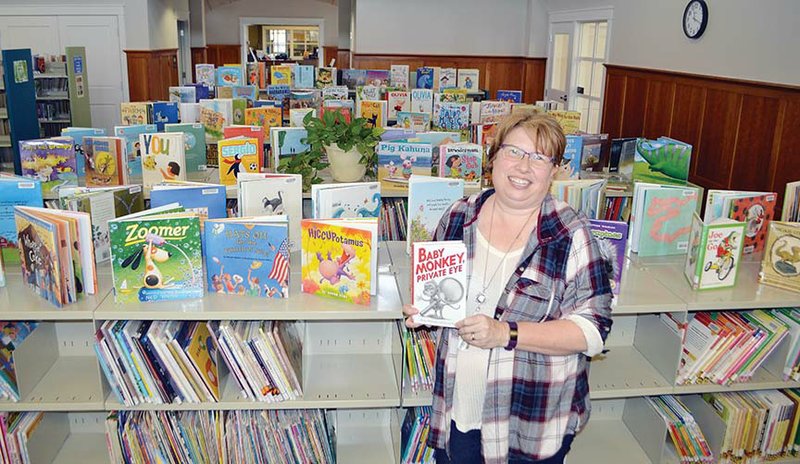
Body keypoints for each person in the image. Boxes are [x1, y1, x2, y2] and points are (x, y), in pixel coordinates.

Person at [403, 112, 613, 464]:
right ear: (494, 157)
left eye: (539, 158)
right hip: (458, 410)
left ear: (555, 170)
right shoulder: (458, 216)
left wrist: (505, 333)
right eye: (514, 152)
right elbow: (441, 294)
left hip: (529, 423)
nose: (524, 167)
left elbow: (593, 331)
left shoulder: (570, 232)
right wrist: (425, 313)